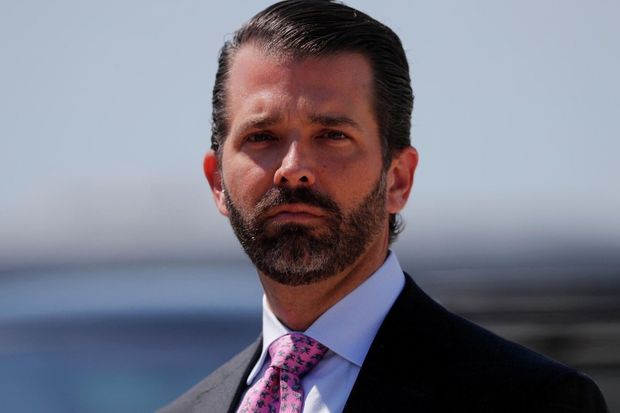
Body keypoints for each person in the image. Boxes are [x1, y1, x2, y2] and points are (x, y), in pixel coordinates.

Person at [158, 1, 609, 412]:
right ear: (218, 181)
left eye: (332, 135)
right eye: (261, 137)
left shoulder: (532, 400)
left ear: (398, 179)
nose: (293, 169)